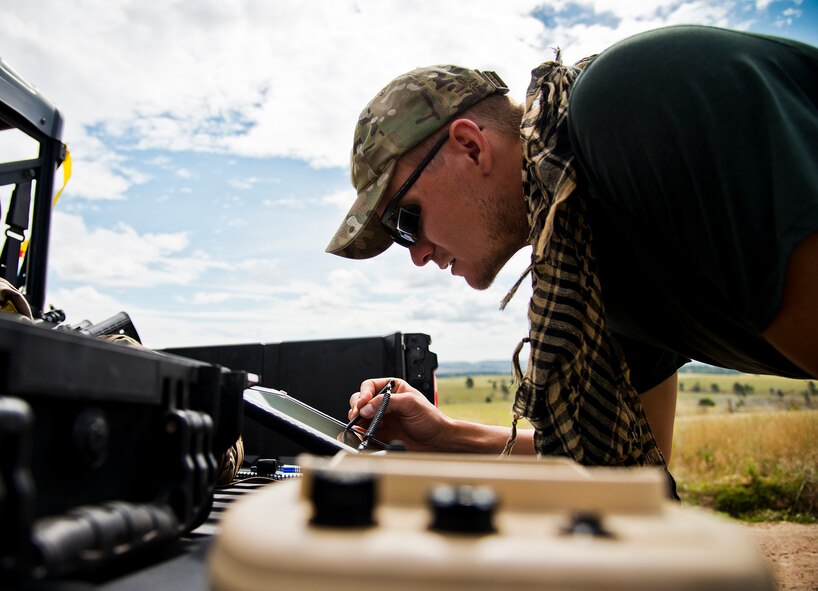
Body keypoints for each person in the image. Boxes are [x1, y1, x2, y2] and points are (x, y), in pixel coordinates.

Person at [324, 25, 818, 490]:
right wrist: (446, 435)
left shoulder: (623, 107)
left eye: (404, 221)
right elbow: (623, 474)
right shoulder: (588, 256)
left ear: (471, 147)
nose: (417, 256)